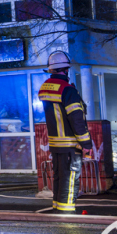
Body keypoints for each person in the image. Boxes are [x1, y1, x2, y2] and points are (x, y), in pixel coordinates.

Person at [38, 51, 93, 214]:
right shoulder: (68, 90)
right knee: (69, 180)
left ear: (51, 70)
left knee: (59, 179)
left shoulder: (46, 88)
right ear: (66, 69)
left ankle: (58, 210)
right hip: (70, 145)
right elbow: (76, 120)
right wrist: (86, 144)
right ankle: (67, 216)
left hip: (55, 145)